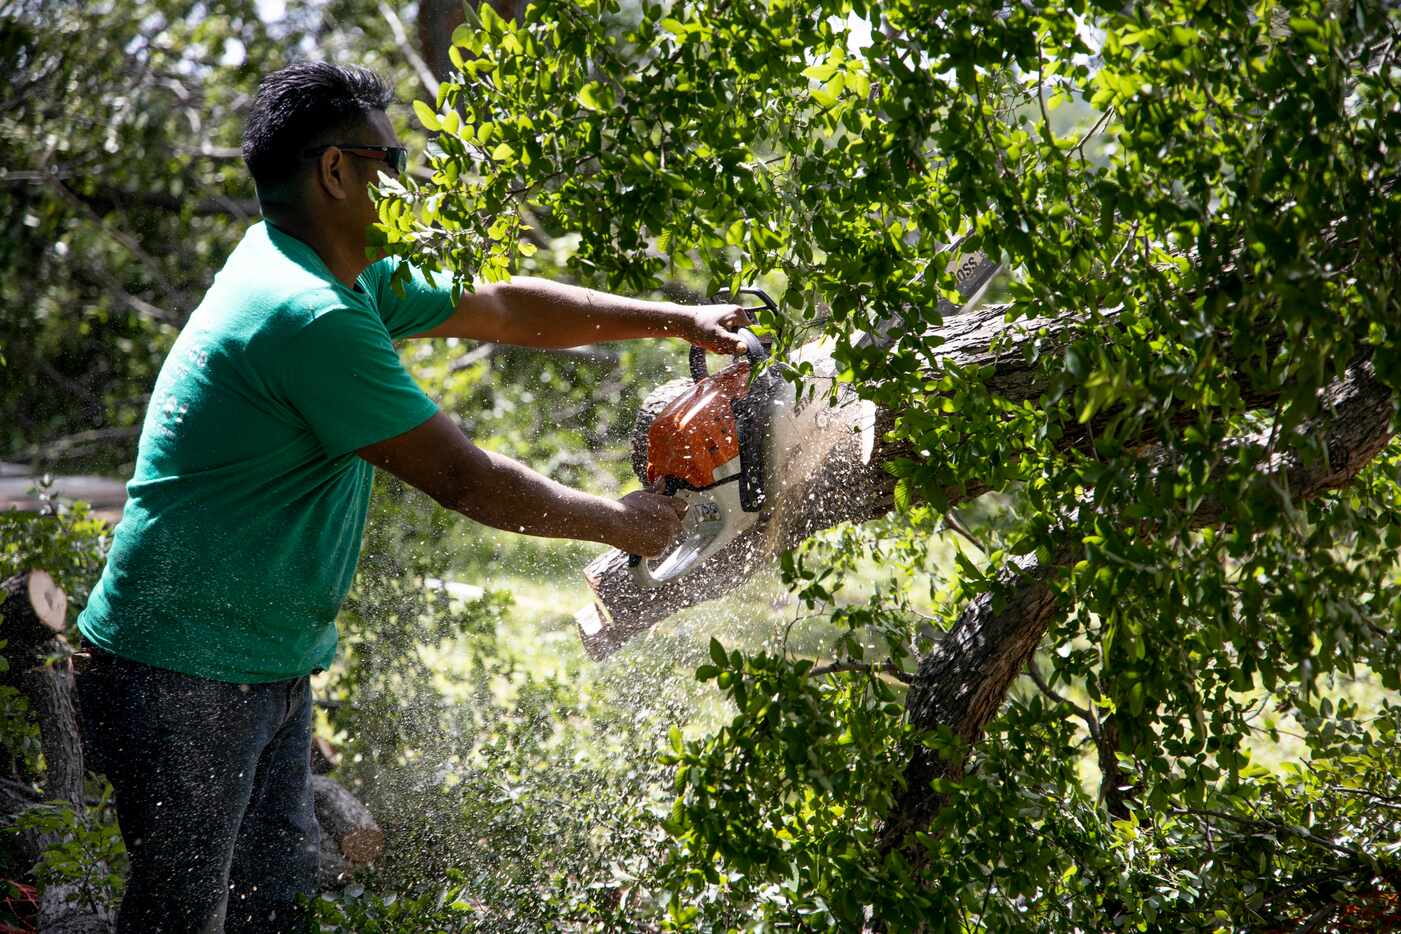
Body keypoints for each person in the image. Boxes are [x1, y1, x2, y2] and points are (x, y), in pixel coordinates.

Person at [75, 61, 750, 933]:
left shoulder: (331, 265)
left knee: (269, 907)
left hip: (259, 659)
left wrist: (677, 317)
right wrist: (624, 525)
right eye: (390, 158)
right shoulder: (306, 311)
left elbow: (504, 306)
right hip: (185, 671)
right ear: (335, 171)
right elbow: (465, 478)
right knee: (180, 919)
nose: (406, 181)